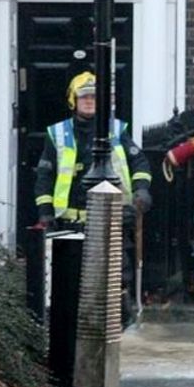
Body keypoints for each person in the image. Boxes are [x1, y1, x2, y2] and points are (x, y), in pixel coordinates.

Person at [34, 71, 153, 328]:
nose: (89, 101)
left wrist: (142, 190)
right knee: (69, 278)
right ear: (73, 100)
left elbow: (139, 162)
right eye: (84, 97)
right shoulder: (57, 134)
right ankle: (71, 326)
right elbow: (45, 175)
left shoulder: (117, 130)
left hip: (112, 218)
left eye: (94, 97)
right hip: (68, 222)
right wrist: (44, 211)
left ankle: (118, 324)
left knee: (117, 276)